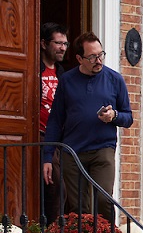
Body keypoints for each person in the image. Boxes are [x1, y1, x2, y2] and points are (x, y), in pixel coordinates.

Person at [43, 31, 133, 221]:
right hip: (72, 152)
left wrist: (114, 116)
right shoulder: (67, 80)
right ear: (79, 58)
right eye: (92, 57)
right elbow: (56, 121)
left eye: (100, 55)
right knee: (79, 208)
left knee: (103, 199)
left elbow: (128, 117)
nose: (98, 60)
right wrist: (48, 157)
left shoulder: (115, 79)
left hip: (103, 149)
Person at [39, 22, 69, 221]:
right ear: (43, 44)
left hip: (62, 139)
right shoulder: (33, 69)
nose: (63, 48)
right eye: (58, 43)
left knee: (63, 188)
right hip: (40, 137)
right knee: (54, 185)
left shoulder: (64, 74)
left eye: (65, 44)